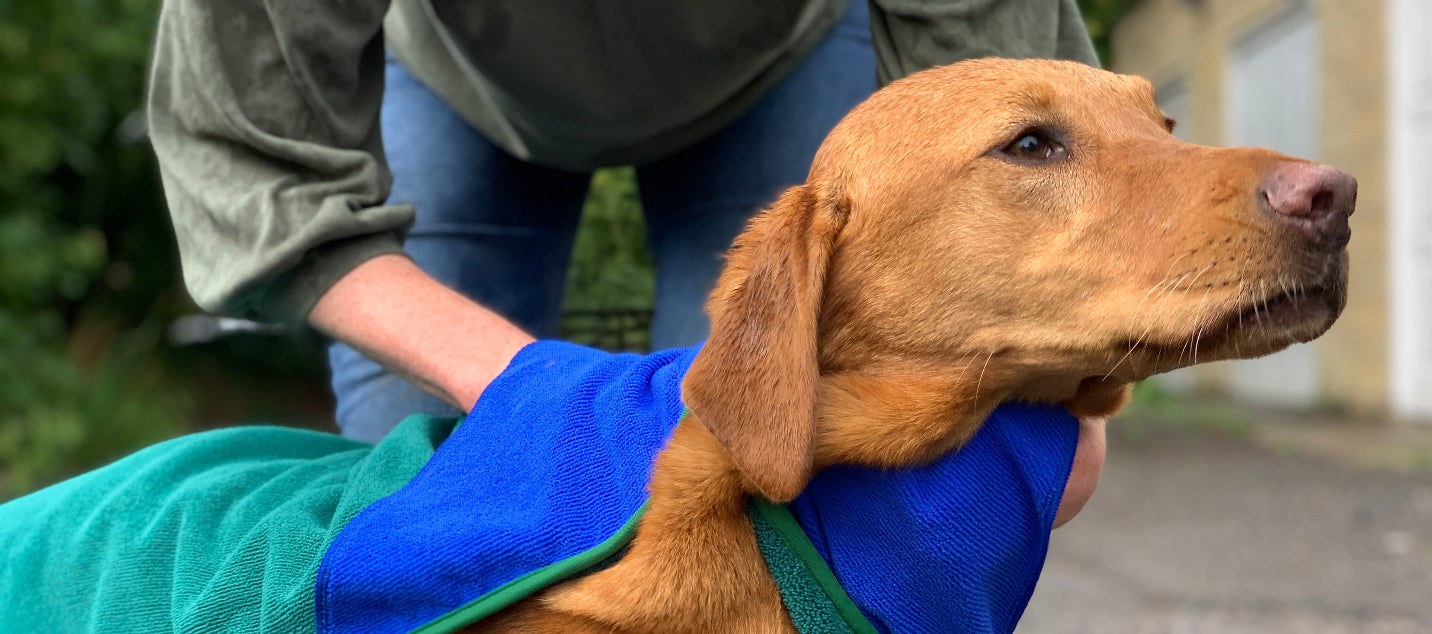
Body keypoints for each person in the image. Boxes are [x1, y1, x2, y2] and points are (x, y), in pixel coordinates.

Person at [148, 0, 1100, 443]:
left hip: (775, 64)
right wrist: (532, 389)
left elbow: (1002, 101)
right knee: (426, 489)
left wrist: (1066, 388)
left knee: (770, 469)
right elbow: (253, 162)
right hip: (455, 82)